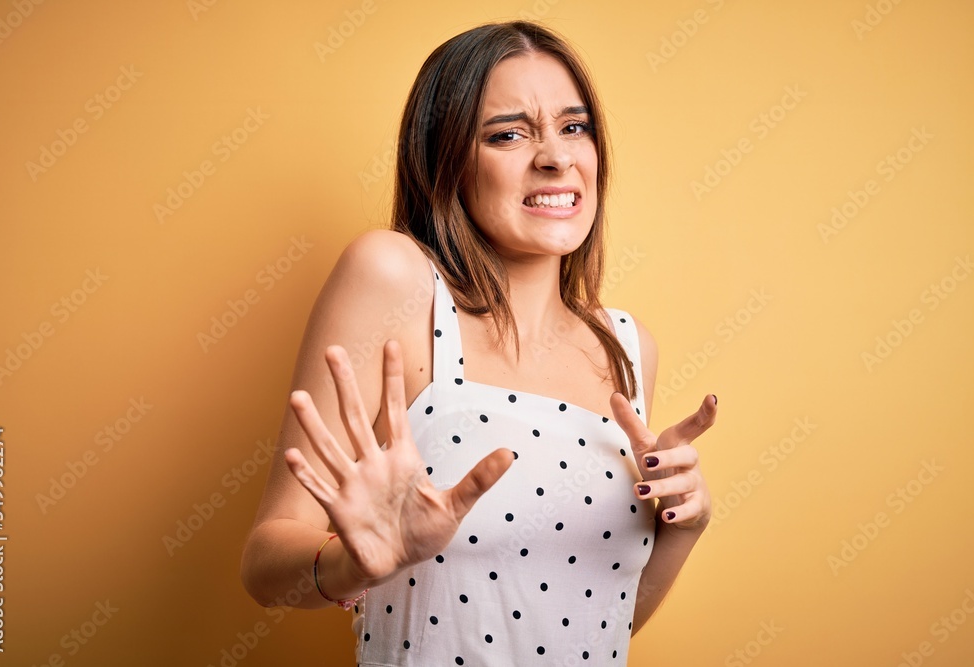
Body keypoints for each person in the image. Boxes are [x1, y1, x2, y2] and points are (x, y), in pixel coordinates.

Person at [241, 20, 717, 666]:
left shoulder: (627, 347)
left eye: (574, 127)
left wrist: (684, 526)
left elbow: (601, 622)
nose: (557, 158)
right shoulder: (394, 279)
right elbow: (264, 565)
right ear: (446, 162)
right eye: (508, 134)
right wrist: (352, 563)